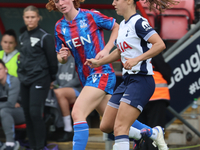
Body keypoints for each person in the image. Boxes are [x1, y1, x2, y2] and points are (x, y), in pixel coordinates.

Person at [46, 0, 172, 149]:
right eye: (56, 1)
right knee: (108, 124)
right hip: (91, 77)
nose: (60, 3)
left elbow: (118, 29)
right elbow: (61, 58)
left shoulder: (92, 16)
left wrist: (106, 51)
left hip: (105, 74)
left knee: (79, 113)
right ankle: (151, 133)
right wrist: (63, 57)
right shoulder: (60, 27)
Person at [85, 0, 178, 149]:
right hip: (127, 81)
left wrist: (137, 59)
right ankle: (153, 133)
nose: (113, 3)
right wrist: (99, 62)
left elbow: (160, 44)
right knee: (106, 125)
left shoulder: (139, 22)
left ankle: (149, 134)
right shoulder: (122, 25)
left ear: (128, 1)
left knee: (120, 128)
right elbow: (119, 51)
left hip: (141, 81)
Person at [17, 5, 58, 150]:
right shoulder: (22, 36)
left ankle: (40, 146)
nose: (30, 20)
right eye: (27, 17)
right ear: (24, 18)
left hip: (40, 78)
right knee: (27, 114)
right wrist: (20, 73)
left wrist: (51, 77)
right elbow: (22, 58)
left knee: (35, 112)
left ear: (38, 18)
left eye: (33, 17)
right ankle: (33, 145)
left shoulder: (44, 36)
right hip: (24, 79)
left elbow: (52, 60)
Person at [138, 53, 171, 150]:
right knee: (156, 133)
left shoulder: (130, 50)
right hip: (157, 96)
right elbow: (166, 71)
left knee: (141, 133)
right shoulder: (152, 48)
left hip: (138, 96)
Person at [53, 55, 82, 142]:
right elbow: (54, 77)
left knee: (59, 93)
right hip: (59, 90)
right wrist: (53, 84)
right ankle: (57, 127)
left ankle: (68, 129)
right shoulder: (58, 58)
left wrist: (62, 88)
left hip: (77, 89)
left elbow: (78, 79)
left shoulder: (77, 57)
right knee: (53, 93)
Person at [0, 59, 25, 150]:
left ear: (6, 69)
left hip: (22, 112)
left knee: (4, 111)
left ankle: (11, 144)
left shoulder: (14, 80)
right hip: (7, 111)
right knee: (4, 110)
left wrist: (7, 104)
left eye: (0, 69)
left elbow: (10, 103)